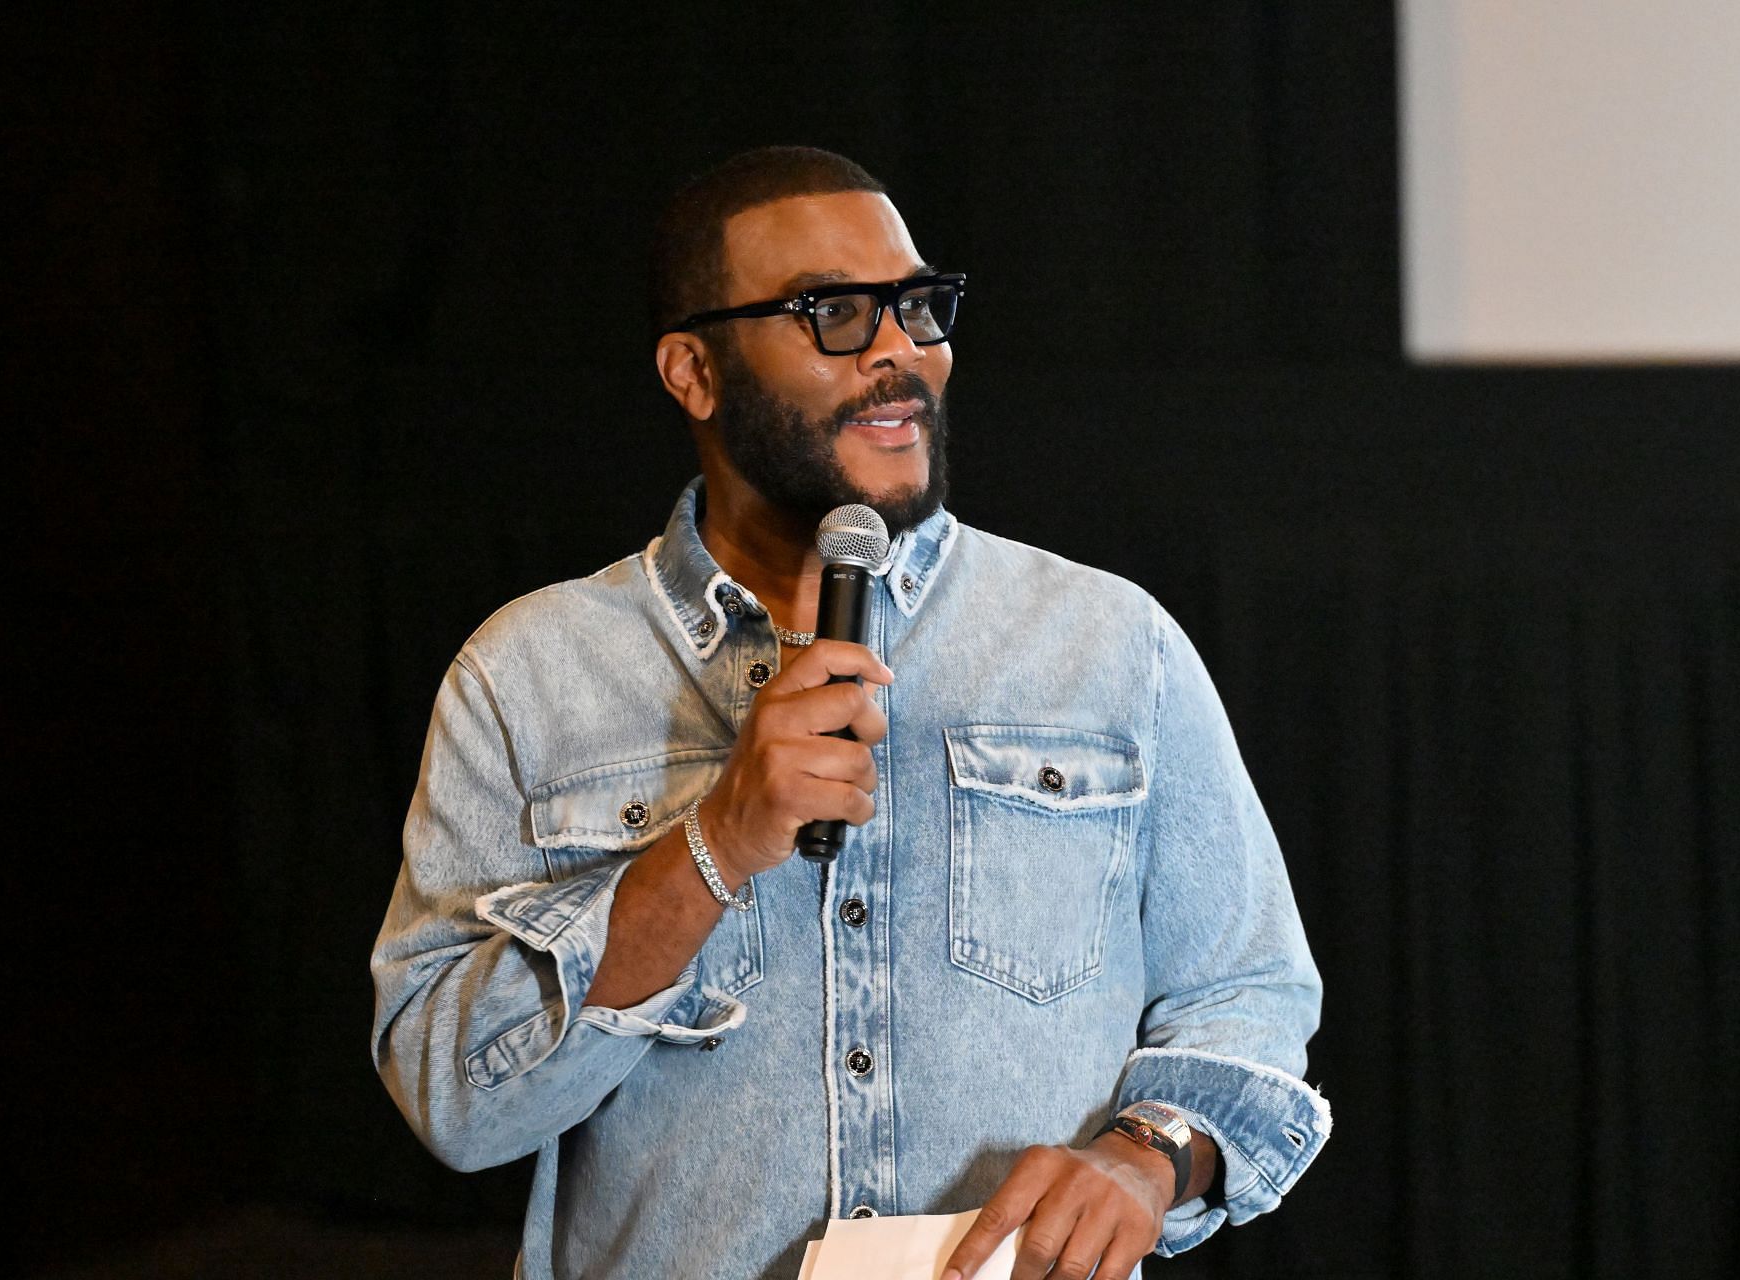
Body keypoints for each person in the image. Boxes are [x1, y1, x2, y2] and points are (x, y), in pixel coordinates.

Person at [372, 146, 1328, 1280]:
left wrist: (1152, 1150)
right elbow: (451, 1097)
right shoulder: (528, 674)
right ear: (693, 371)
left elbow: (1250, 998)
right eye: (832, 311)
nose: (898, 352)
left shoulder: (1109, 647)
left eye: (919, 307)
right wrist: (716, 842)